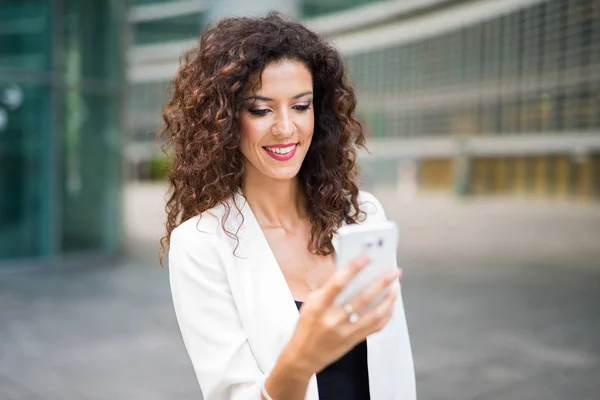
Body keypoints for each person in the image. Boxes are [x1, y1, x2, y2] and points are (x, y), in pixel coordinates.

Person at [159, 12, 415, 400]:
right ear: (224, 120)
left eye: (301, 106)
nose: (285, 128)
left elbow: (394, 367)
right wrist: (299, 360)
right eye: (261, 110)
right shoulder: (200, 245)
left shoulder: (362, 215)